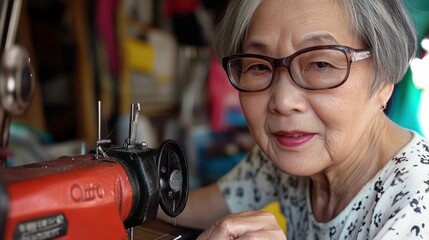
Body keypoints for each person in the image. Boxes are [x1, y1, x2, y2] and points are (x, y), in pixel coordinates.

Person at [158, 0, 429, 239]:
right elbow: (204, 207)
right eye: (260, 66)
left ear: (385, 79)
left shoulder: (416, 208)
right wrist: (128, 188)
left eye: (321, 64)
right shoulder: (287, 154)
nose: (283, 102)